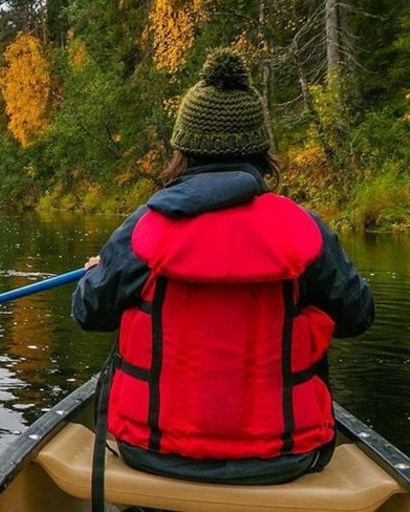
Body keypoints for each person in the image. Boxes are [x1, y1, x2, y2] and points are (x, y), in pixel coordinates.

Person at [71, 49, 374, 486]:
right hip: (286, 458)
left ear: (184, 151)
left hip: (151, 451)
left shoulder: (143, 231)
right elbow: (358, 315)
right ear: (260, 151)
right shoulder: (304, 231)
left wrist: (99, 273)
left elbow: (87, 312)